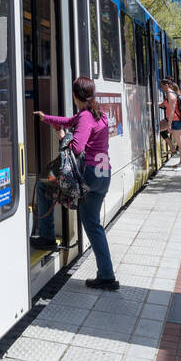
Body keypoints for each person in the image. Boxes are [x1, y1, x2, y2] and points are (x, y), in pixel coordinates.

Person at [33, 76, 118, 290]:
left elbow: (77, 147)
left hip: (87, 176)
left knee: (44, 185)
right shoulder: (98, 114)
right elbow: (69, 121)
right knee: (93, 225)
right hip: (103, 175)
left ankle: (47, 237)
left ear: (74, 95)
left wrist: (63, 138)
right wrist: (46, 118)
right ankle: (106, 275)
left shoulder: (85, 117)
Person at [159, 79, 181, 168]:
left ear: (167, 85)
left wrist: (169, 124)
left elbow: (172, 111)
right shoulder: (169, 94)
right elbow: (163, 105)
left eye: (162, 86)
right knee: (158, 129)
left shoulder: (171, 95)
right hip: (173, 120)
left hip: (175, 121)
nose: (161, 88)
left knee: (180, 142)